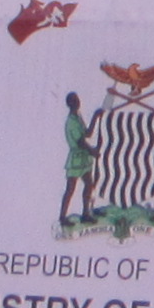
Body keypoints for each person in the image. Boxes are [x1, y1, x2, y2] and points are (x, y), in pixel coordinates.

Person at [56, 92, 95, 232]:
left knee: (89, 184)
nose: (77, 103)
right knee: (70, 188)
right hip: (76, 159)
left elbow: (87, 134)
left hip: (84, 158)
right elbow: (80, 142)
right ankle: (62, 217)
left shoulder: (78, 117)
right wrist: (92, 151)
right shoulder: (71, 121)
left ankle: (85, 213)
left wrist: (96, 117)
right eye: (74, 101)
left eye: (77, 100)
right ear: (70, 104)